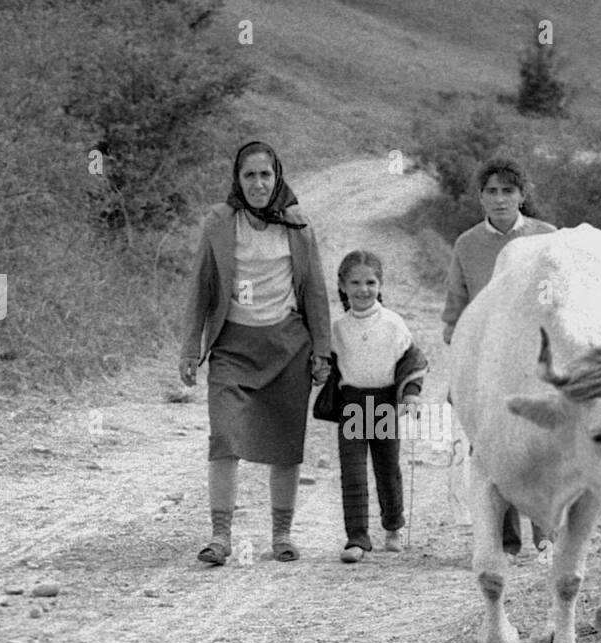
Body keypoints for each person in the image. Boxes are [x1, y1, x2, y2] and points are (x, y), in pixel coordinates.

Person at [179, 140, 331, 565]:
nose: (259, 184)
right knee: (224, 437)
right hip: (232, 348)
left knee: (286, 444)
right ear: (237, 180)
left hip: (286, 349)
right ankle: (219, 536)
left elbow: (314, 291)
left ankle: (282, 534)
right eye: (250, 176)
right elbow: (202, 288)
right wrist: (190, 349)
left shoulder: (298, 225)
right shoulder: (220, 223)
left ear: (277, 176)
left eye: (266, 175)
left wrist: (323, 351)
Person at [441, 156, 557, 559]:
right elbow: (455, 314)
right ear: (480, 198)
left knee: (540, 446)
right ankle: (504, 541)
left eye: (508, 190)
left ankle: (547, 536)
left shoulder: (547, 238)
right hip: (486, 362)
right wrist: (462, 365)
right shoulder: (467, 245)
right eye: (491, 191)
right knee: (491, 448)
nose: (500, 199)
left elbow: (562, 302)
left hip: (535, 359)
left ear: (523, 194)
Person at [330, 250, 427, 563]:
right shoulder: (339, 328)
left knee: (387, 468)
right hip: (354, 405)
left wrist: (410, 394)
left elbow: (412, 360)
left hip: (384, 403)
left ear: (380, 284)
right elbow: (327, 365)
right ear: (342, 286)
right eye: (355, 282)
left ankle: (393, 526)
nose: (363, 289)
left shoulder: (393, 323)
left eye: (370, 282)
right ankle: (357, 537)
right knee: (353, 472)